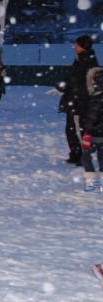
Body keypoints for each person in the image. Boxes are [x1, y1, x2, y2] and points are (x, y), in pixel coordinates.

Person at [58, 35, 98, 166]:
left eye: (77, 45)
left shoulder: (86, 62)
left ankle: (81, 155)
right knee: (73, 130)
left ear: (82, 46)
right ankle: (76, 154)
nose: (75, 47)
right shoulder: (81, 60)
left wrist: (65, 87)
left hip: (79, 103)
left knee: (77, 130)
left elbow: (78, 83)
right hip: (76, 102)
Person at [80, 67, 103, 191]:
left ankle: (92, 182)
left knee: (86, 156)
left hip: (94, 133)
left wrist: (87, 131)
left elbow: (92, 116)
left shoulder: (96, 97)